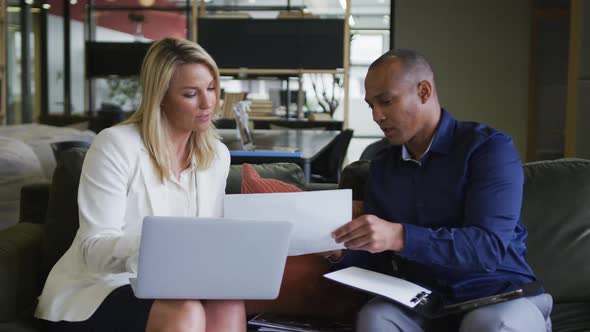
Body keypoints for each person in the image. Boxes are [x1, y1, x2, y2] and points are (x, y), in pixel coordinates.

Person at [327, 49, 553, 331]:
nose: (377, 115)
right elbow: (377, 260)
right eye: (371, 105)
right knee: (375, 317)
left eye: (385, 102)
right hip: (424, 301)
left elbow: (488, 249)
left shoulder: (489, 149)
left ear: (423, 91)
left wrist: (399, 235)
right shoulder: (383, 167)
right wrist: (340, 251)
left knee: (489, 324)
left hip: (500, 294)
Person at [35, 38, 245, 332]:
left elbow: (207, 239)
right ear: (160, 96)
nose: (208, 103)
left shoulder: (216, 155)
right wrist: (160, 247)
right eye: (190, 93)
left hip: (177, 286)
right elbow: (92, 249)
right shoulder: (115, 145)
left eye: (211, 88)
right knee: (184, 311)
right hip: (100, 288)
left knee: (228, 303)